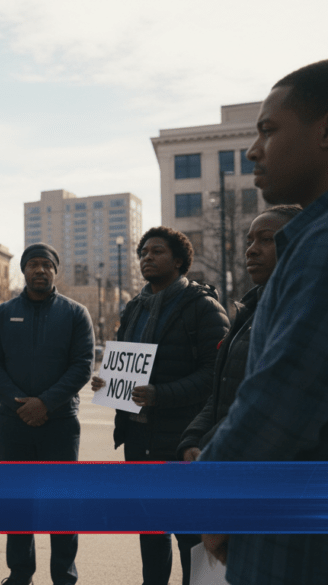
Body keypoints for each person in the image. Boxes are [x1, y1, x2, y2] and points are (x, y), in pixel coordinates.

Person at [197, 58, 328, 584]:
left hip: (312, 552)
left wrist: (212, 499)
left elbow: (283, 400)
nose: (253, 150)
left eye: (268, 130)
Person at [91, 226, 228, 585]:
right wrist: (108, 383)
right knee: (150, 530)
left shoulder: (202, 307)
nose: (147, 258)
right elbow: (125, 363)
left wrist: (160, 394)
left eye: (157, 252)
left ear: (179, 261)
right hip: (138, 438)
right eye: (143, 253)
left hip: (182, 439)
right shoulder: (134, 307)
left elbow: (216, 375)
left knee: (190, 534)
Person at [0, 244, 95, 585]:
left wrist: (45, 403)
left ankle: (64, 575)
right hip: (15, 423)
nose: (40, 270)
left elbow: (82, 366)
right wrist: (21, 403)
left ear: (55, 271)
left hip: (60, 423)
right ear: (24, 270)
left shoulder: (76, 313)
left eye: (47, 265)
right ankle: (20, 574)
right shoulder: (2, 314)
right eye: (34, 264)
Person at [177, 205, 301, 462]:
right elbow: (221, 390)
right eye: (250, 241)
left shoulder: (300, 312)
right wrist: (192, 438)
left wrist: (211, 446)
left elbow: (270, 405)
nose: (251, 249)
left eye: (266, 240)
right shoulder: (249, 311)